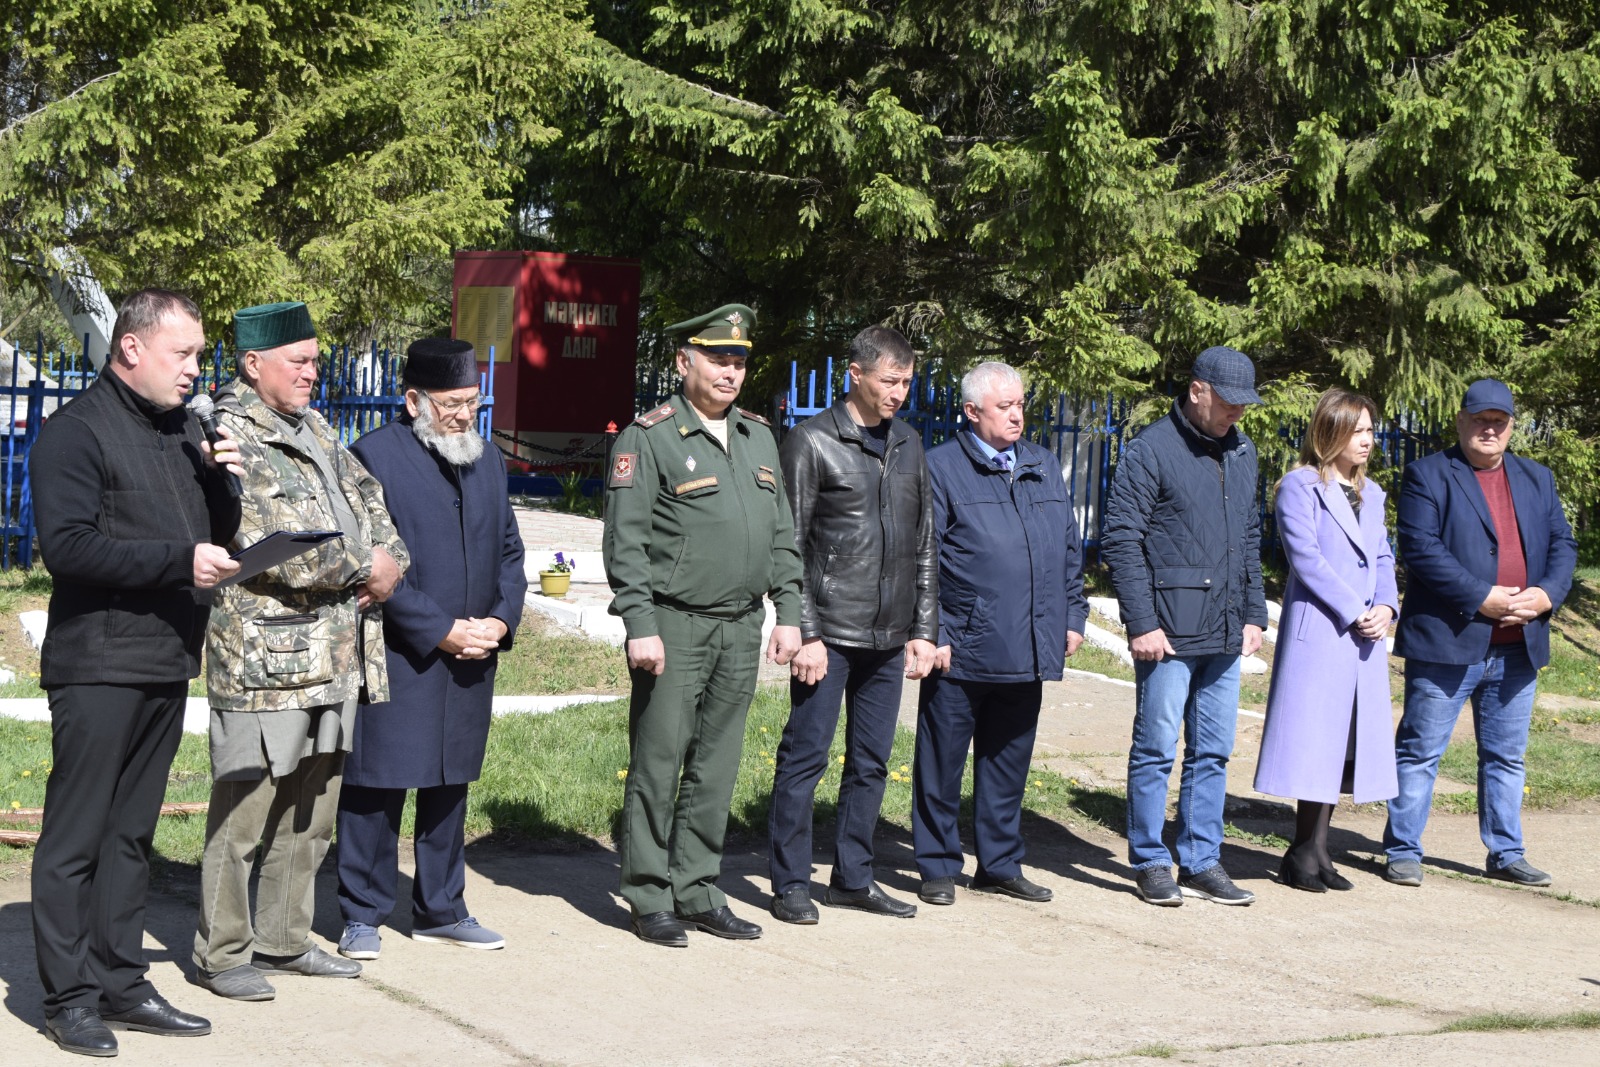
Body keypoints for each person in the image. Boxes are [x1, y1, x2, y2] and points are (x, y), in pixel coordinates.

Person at [29, 288, 241, 1056]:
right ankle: (68, 996)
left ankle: (121, 980)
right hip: (98, 662)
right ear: (131, 349)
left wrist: (222, 479)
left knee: (130, 837)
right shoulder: (74, 432)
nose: (195, 369)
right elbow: (70, 548)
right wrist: (178, 562)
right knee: (77, 837)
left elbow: (210, 531)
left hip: (164, 657)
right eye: (182, 353)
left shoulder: (185, 429)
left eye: (197, 355)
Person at [193, 301, 409, 1001]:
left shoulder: (313, 427)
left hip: (332, 657)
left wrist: (392, 559)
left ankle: (283, 940)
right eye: (300, 361)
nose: (314, 373)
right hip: (264, 664)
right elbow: (263, 542)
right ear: (254, 365)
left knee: (311, 813)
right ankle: (223, 952)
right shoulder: (229, 432)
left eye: (316, 360)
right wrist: (365, 566)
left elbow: (373, 503)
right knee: (246, 813)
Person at [603, 303, 803, 947]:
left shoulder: (758, 436)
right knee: (660, 762)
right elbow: (626, 542)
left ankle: (697, 887)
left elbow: (782, 537)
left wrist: (790, 614)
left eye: (739, 360)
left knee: (716, 765)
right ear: (684, 361)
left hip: (741, 627)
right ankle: (647, 892)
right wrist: (640, 622)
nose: (730, 371)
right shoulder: (650, 436)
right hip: (674, 623)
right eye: (718, 358)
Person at [335, 338, 527, 959]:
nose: (464, 416)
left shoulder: (488, 459)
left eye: (473, 402)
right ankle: (361, 913)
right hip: (402, 650)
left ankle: (442, 907)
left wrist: (499, 622)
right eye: (451, 404)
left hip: (476, 648)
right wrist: (440, 629)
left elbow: (510, 554)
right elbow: (372, 569)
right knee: (377, 781)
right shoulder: (373, 457)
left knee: (451, 781)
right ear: (413, 399)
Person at [767, 325, 936, 925]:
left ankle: (853, 877)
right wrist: (805, 630)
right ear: (855, 375)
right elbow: (787, 547)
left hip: (889, 637)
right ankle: (789, 881)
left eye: (907, 382)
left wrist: (923, 628)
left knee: (871, 761)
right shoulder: (810, 442)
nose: (898, 394)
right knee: (805, 757)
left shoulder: (910, 444)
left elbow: (923, 544)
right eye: (890, 381)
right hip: (829, 634)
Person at [1382, 379, 1578, 888]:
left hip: (1518, 646)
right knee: (1421, 750)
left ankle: (1506, 851)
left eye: (1500, 421)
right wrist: (1481, 597)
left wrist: (1546, 596)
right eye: (1480, 419)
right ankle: (1403, 848)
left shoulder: (1537, 478)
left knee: (1506, 756)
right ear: (1462, 421)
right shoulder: (1428, 474)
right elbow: (1421, 549)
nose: (1489, 429)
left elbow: (1563, 543)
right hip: (1449, 641)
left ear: (1511, 426)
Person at [912, 362, 1087, 906]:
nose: (1017, 414)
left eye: (1020, 403)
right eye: (1004, 406)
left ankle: (1000, 863)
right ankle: (938, 865)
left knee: (1009, 760)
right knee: (942, 761)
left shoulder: (1040, 463)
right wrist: (931, 630)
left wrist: (1072, 616)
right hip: (961, 645)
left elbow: (1067, 548)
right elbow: (923, 558)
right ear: (971, 412)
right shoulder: (940, 467)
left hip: (1028, 641)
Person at [1103, 346, 1269, 907]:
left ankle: (1201, 859)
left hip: (1224, 629)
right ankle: (1150, 859)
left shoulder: (1243, 450)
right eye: (1228, 404)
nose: (1237, 415)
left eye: (1244, 405)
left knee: (1214, 750)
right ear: (1198, 391)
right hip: (1168, 632)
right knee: (1155, 748)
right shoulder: (1150, 450)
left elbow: (1249, 536)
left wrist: (1253, 611)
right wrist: (1141, 623)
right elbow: (1120, 540)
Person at [1254, 389, 1399, 893]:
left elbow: (1381, 557)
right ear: (1331, 430)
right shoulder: (1299, 486)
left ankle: (1315, 850)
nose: (1369, 440)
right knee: (1314, 742)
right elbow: (1306, 558)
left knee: (1342, 746)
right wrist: (1357, 609)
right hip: (1323, 631)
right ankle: (1302, 852)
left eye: (1371, 431)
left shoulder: (1372, 493)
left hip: (1363, 639)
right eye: (1359, 430)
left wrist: (1386, 605)